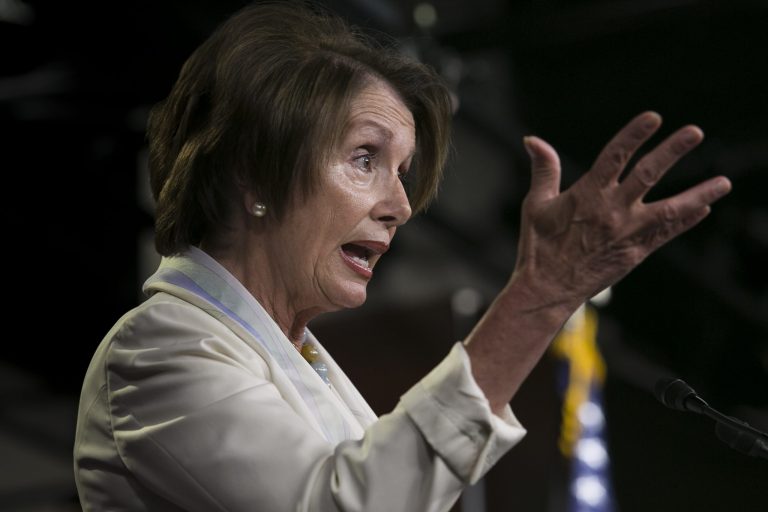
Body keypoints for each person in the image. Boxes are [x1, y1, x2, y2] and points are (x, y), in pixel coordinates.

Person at [72, 2, 732, 511]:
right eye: (366, 158)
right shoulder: (157, 351)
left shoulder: (298, 358)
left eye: (403, 171)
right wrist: (542, 296)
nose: (401, 205)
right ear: (254, 175)